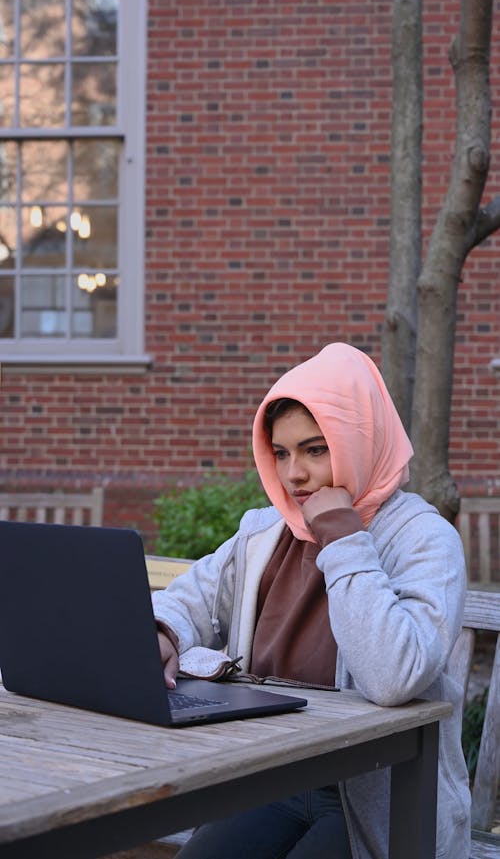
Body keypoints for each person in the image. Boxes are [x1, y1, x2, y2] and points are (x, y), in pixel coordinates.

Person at [152, 342, 471, 859]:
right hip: (273, 778)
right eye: (280, 453)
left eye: (315, 449)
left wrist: (344, 541)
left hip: (378, 791)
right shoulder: (265, 531)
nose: (293, 474)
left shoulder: (423, 538)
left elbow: (395, 675)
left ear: (361, 441)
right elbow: (194, 597)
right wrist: (163, 630)